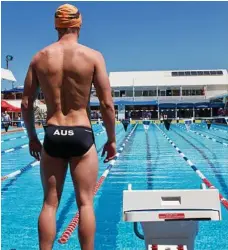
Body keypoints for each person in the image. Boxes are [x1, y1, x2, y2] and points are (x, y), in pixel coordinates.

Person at [21, 4, 116, 250]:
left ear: (56, 25)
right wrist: (112, 139)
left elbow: (26, 103)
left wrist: (32, 137)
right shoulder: (93, 56)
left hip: (53, 134)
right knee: (85, 203)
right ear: (79, 24)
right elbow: (107, 103)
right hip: (81, 133)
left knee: (50, 204)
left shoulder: (40, 57)